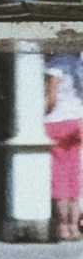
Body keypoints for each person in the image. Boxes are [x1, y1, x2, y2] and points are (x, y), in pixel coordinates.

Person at [49, 57, 83, 242]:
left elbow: (52, 98)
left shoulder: (54, 65)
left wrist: (42, 111)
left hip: (56, 120)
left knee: (59, 177)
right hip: (77, 120)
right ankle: (74, 226)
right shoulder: (78, 63)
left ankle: (62, 226)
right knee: (74, 175)